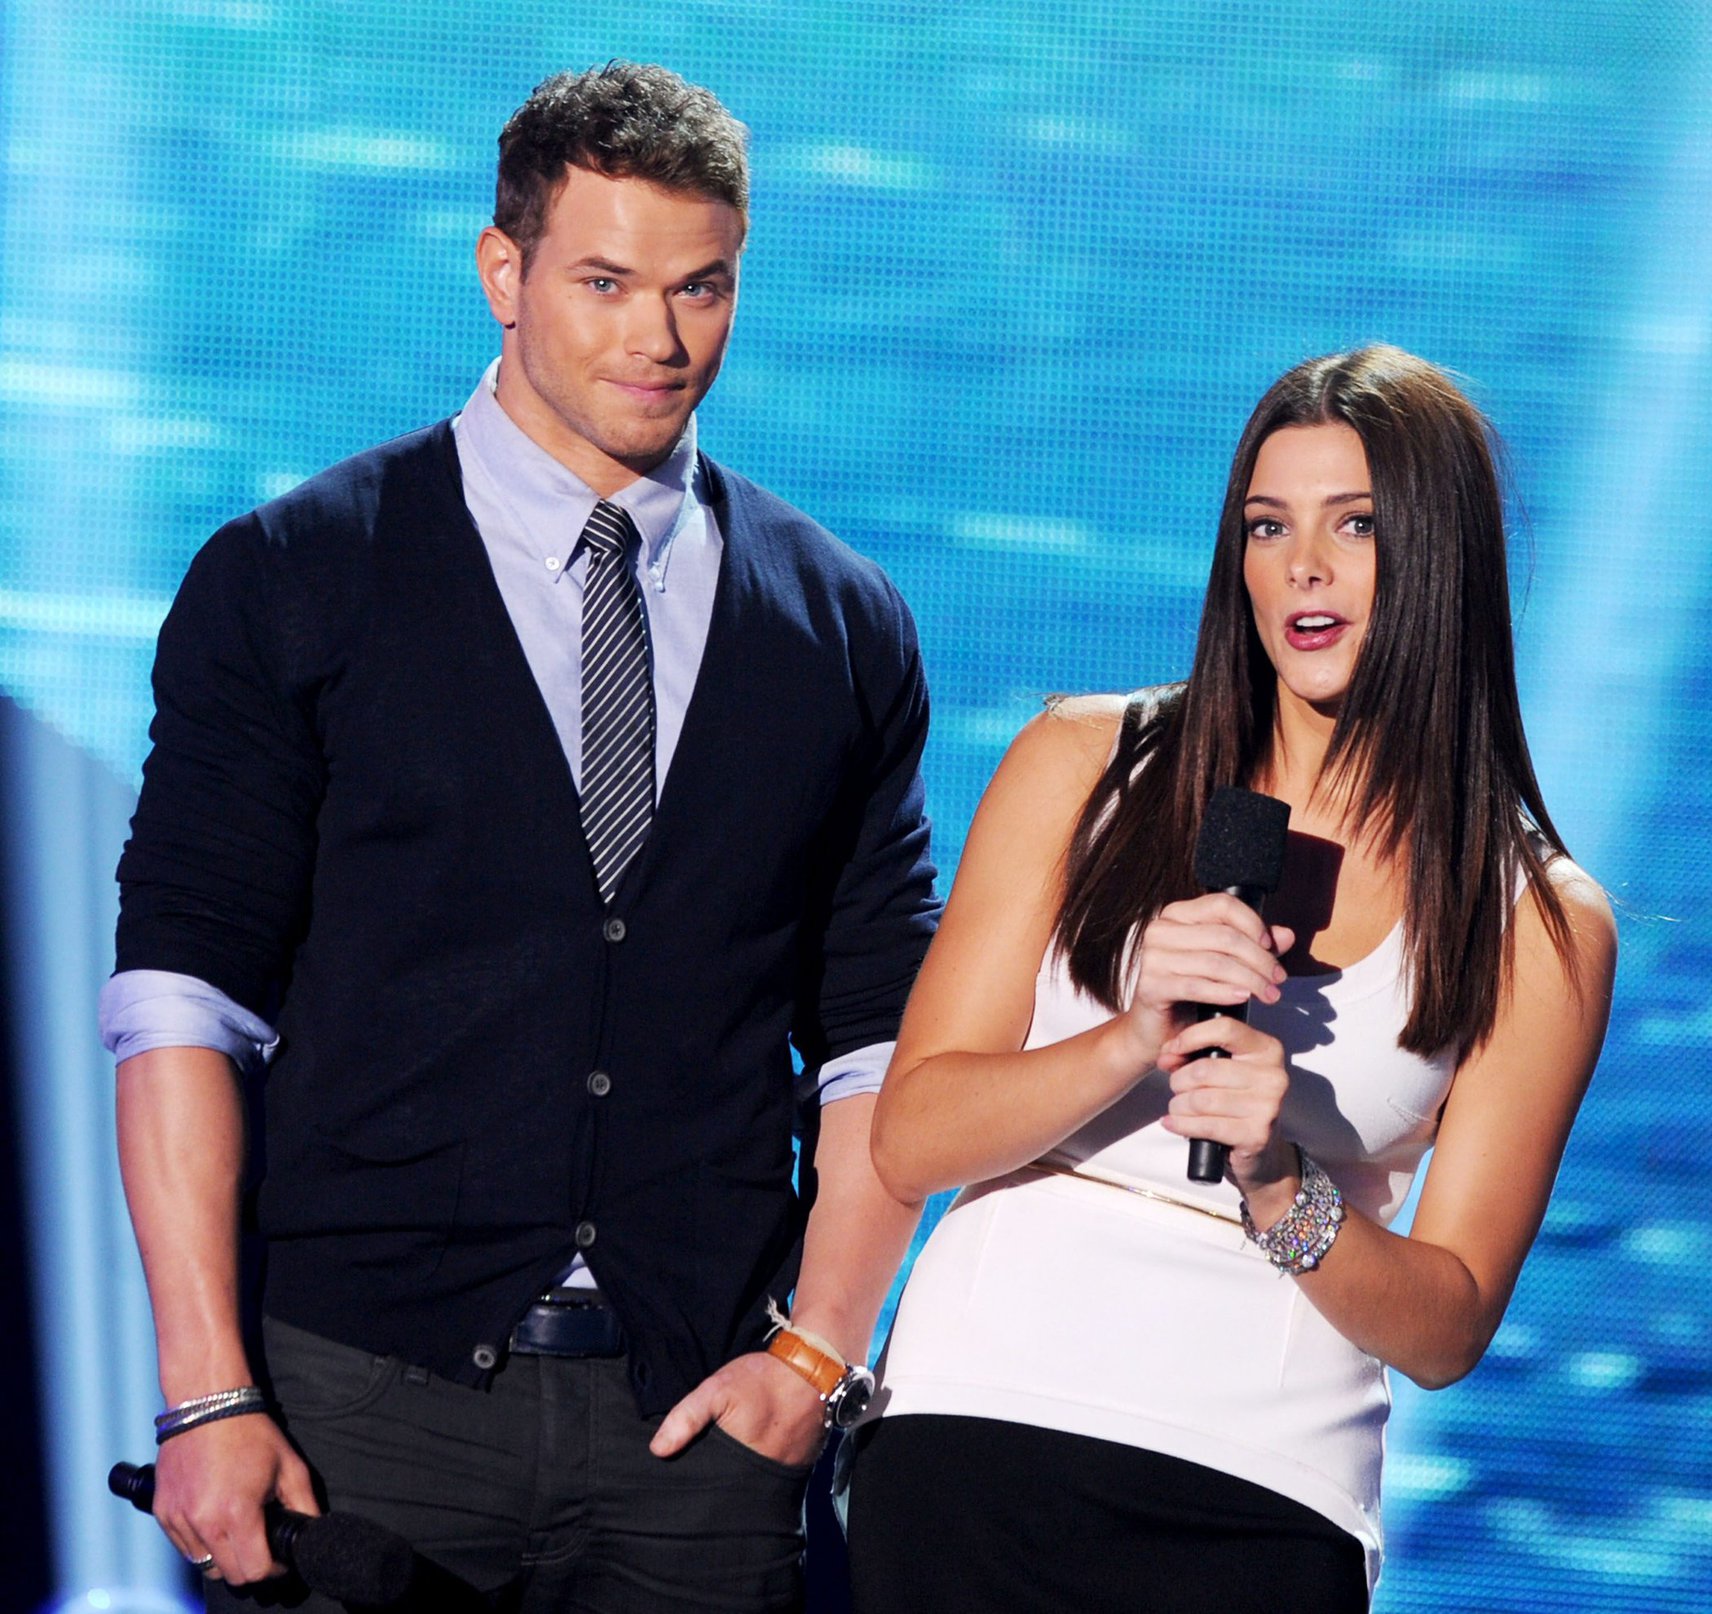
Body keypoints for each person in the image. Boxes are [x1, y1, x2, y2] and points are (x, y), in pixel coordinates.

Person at [104, 62, 937, 1613]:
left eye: (703, 287)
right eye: (607, 281)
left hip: (698, 1426)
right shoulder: (296, 574)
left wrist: (818, 1352)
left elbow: (881, 1037)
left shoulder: (839, 621)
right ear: (504, 271)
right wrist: (208, 1389)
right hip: (356, 1402)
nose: (661, 339)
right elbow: (181, 997)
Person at [843, 345, 1615, 1612]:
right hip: (975, 1434)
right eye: (1267, 526)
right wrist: (1125, 1037)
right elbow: (913, 1137)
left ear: (1440, 557)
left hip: (1262, 1495)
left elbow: (1447, 1322)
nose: (1299, 566)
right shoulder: (1081, 763)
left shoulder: (1533, 916)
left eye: (1352, 525)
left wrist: (1278, 1179)